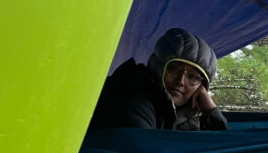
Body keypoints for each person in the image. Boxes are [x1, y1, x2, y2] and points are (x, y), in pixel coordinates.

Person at [90, 28, 229, 131]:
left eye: (193, 77)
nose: (180, 81)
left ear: (201, 87)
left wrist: (211, 111)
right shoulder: (131, 97)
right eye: (174, 69)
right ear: (158, 67)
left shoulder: (178, 113)